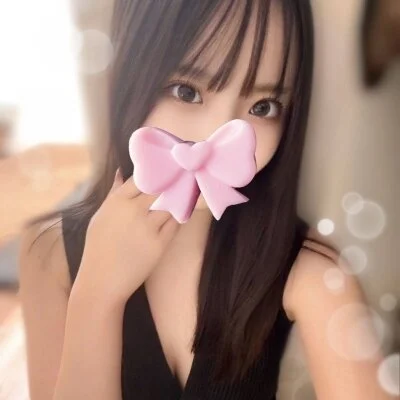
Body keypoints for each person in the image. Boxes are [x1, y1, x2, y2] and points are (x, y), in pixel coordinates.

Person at [18, 1, 389, 400]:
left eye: (263, 107)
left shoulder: (312, 272)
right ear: (129, 73)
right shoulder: (49, 253)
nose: (217, 134)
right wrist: (96, 297)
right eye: (187, 91)